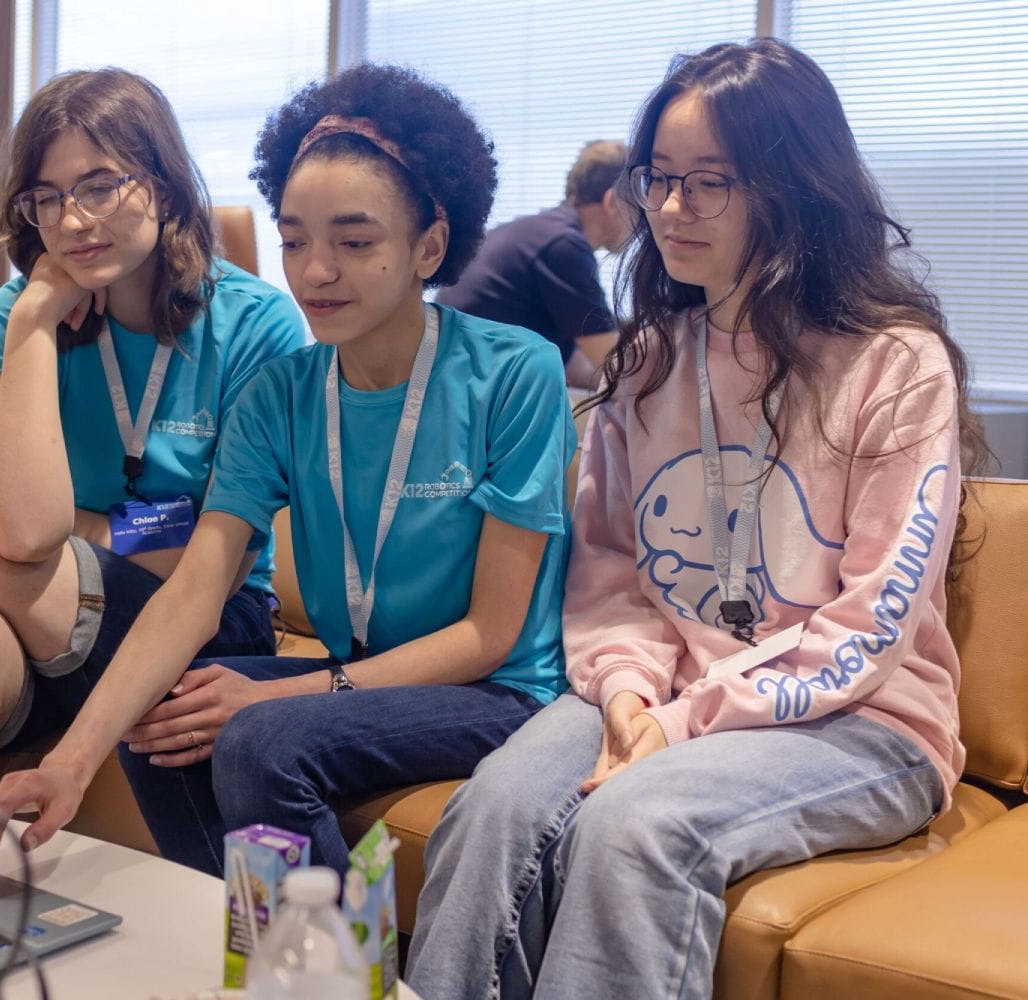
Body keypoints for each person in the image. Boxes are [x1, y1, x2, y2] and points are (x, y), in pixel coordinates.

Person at [408, 38, 984, 1000]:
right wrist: (631, 696)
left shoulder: (895, 364)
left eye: (710, 183)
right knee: (494, 808)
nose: (671, 210)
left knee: (637, 828)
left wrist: (680, 726)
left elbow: (872, 624)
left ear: (793, 187)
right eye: (660, 180)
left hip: (864, 718)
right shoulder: (650, 361)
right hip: (663, 690)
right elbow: (611, 579)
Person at [0, 64, 576, 877]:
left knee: (257, 738)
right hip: (347, 670)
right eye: (296, 241)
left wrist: (282, 692)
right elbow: (191, 588)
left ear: (430, 245)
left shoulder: (513, 370)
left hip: (494, 688)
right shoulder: (284, 394)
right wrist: (68, 762)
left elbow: (490, 635)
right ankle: (250, 944)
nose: (315, 271)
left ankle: (336, 970)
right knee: (169, 710)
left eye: (353, 242)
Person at [0, 68, 305, 803]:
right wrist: (36, 319)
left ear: (162, 188)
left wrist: (91, 526)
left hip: (204, 631)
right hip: (54, 613)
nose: (72, 221)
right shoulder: (17, 315)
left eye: (100, 185)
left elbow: (207, 558)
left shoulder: (257, 326)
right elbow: (24, 524)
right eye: (47, 198)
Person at [436, 139, 631, 389]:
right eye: (637, 208)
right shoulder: (565, 246)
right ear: (612, 202)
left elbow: (577, 368)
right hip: (467, 390)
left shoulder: (536, 233)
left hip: (456, 379)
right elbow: (617, 369)